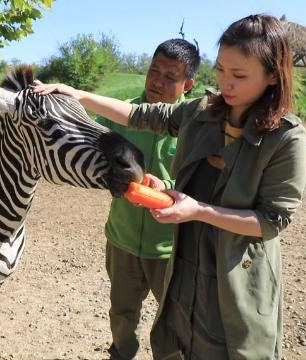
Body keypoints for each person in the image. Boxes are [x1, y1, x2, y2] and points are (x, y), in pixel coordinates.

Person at [35, 14, 306, 359]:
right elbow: (143, 116)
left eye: (239, 75)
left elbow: (272, 220)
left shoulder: (285, 137)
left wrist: (197, 211)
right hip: (184, 257)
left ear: (272, 76)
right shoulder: (203, 112)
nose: (226, 82)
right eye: (221, 69)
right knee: (176, 341)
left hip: (233, 270)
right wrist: (78, 95)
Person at [96, 38, 199, 360]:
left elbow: (203, 185)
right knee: (122, 315)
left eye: (170, 77)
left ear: (188, 84)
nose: (157, 81)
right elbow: (88, 152)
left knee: (172, 325)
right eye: (154, 71)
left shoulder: (198, 127)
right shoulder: (120, 114)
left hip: (171, 249)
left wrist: (164, 186)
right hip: (122, 240)